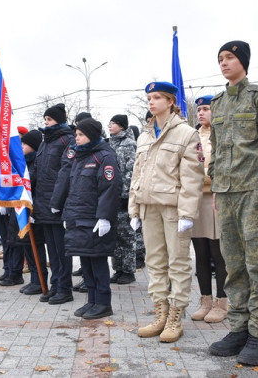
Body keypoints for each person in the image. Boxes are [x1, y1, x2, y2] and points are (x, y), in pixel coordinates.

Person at [207, 41, 258, 366]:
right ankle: (238, 328)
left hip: (254, 193)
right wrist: (216, 189)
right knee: (234, 265)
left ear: (244, 62)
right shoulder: (218, 102)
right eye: (221, 59)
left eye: (230, 58)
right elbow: (216, 146)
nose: (224, 63)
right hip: (226, 195)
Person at [129, 81, 204, 342]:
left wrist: (187, 214)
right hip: (148, 207)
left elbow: (192, 179)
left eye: (157, 97)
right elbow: (136, 175)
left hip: (173, 209)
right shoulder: (144, 135)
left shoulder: (186, 134)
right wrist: (134, 210)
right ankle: (160, 314)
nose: (151, 102)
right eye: (149, 97)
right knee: (155, 263)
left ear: (171, 101)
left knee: (178, 263)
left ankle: (175, 316)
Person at [54, 118, 122, 319]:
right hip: (78, 218)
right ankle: (92, 300)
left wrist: (105, 217)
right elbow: (72, 189)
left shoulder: (105, 156)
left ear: (91, 135)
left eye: (81, 135)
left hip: (94, 219)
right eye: (76, 135)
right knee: (86, 262)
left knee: (97, 262)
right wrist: (67, 215)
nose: (77, 138)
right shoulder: (80, 158)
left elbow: (110, 188)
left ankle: (103, 302)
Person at [190, 94, 228, 324]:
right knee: (200, 252)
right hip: (196, 197)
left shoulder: (222, 134)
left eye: (206, 108)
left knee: (218, 253)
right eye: (200, 109)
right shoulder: (194, 136)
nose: (202, 113)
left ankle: (222, 302)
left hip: (216, 197)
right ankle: (205, 300)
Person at [35, 103, 76, 304]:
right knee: (52, 248)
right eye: (45, 119)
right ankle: (55, 284)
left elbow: (66, 173)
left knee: (61, 250)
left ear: (58, 120)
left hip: (57, 204)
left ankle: (65, 288)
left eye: (49, 119)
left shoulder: (67, 140)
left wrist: (58, 202)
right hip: (43, 203)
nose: (46, 122)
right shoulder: (45, 142)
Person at [15, 129, 48, 295]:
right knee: (26, 244)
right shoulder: (23, 162)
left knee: (36, 246)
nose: (21, 146)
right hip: (23, 210)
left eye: (25, 143)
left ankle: (40, 279)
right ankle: (34, 279)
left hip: (35, 211)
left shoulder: (37, 162)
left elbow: (37, 185)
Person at [107, 113, 137, 285]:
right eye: (109, 123)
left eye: (114, 123)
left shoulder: (129, 144)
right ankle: (118, 268)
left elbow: (131, 172)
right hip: (112, 196)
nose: (110, 126)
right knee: (115, 235)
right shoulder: (110, 144)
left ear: (122, 126)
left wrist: (126, 194)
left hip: (125, 196)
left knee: (126, 235)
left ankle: (128, 270)